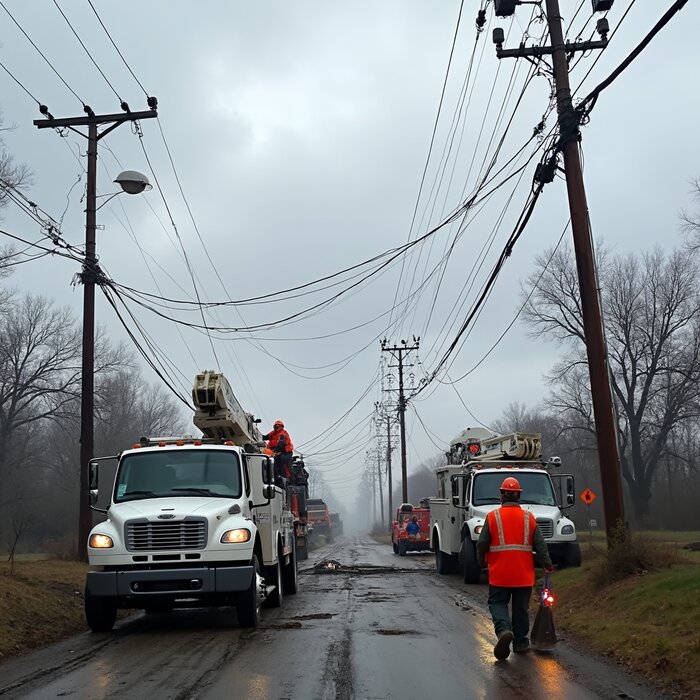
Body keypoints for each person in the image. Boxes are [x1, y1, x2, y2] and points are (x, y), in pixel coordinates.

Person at [476, 476, 553, 660]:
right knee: (521, 608)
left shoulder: (492, 517)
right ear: (519, 496)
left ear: (502, 495)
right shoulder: (529, 518)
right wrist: (547, 564)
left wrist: (481, 562)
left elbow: (482, 544)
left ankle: (504, 631)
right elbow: (540, 545)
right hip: (523, 575)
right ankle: (520, 643)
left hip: (500, 574)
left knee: (497, 603)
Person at [262, 419, 294, 484]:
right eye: (275, 425)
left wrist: (274, 452)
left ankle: (278, 476)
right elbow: (265, 437)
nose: (276, 427)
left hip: (285, 452)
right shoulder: (272, 433)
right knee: (267, 457)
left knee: (277, 459)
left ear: (281, 427)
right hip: (276, 450)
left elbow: (281, 444)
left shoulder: (283, 434)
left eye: (278, 425)